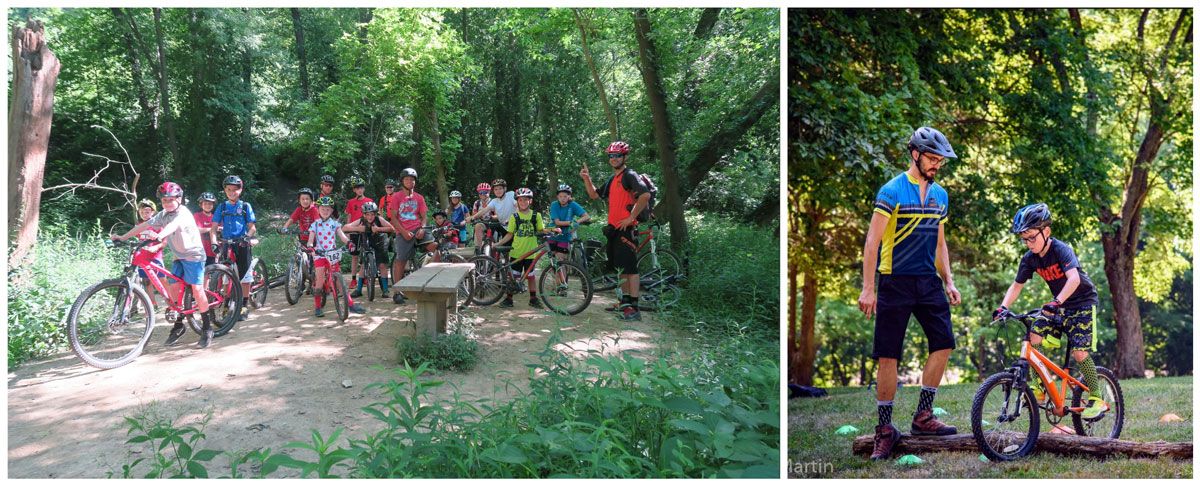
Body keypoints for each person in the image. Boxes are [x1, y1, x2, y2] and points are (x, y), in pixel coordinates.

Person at [857, 126, 962, 461]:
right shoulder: (892, 191)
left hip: (928, 282)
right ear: (915, 154)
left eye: (940, 160)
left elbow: (940, 243)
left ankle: (923, 416)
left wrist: (949, 280)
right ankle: (885, 430)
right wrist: (868, 288)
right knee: (888, 355)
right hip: (894, 280)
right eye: (932, 158)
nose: (937, 165)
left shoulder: (941, 196)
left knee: (944, 343)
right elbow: (872, 241)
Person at [994, 203, 1106, 418]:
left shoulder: (1061, 250)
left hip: (1082, 303)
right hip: (1059, 305)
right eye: (1024, 239)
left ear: (1046, 231)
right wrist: (1003, 307)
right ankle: (1040, 388)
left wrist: (1057, 301)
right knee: (1033, 337)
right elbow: (1017, 285)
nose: (1028, 243)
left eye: (1032, 238)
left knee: (1079, 353)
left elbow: (1073, 279)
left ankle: (1097, 397)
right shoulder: (1029, 258)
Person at [114, 182, 216, 348]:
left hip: (194, 255)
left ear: (179, 199)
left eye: (171, 200)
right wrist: (123, 237)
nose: (167, 203)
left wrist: (159, 236)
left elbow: (172, 226)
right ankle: (179, 324)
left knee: (197, 290)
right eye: (164, 200)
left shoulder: (183, 213)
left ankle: (207, 328)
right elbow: (144, 225)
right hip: (179, 256)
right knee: (174, 290)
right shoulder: (163, 213)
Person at [580, 141, 650, 322]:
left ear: (624, 157)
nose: (614, 158)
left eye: (618, 155)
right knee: (622, 269)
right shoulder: (613, 179)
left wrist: (630, 217)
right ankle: (625, 303)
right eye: (611, 156)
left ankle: (634, 308)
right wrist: (587, 178)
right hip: (614, 230)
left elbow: (645, 195)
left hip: (627, 229)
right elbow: (595, 195)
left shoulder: (630, 175)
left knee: (631, 269)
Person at [494, 188, 560, 308]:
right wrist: (498, 244)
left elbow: (541, 230)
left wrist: (552, 229)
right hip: (517, 251)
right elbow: (510, 234)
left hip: (531, 252)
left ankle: (533, 299)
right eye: (520, 200)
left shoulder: (536, 215)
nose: (523, 202)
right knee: (514, 276)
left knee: (530, 276)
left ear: (530, 201)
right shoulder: (514, 216)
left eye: (526, 200)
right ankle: (508, 299)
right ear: (517, 202)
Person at [387, 168, 437, 304]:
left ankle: (427, 276)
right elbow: (393, 218)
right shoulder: (397, 196)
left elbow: (424, 216)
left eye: (412, 179)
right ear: (402, 181)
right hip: (403, 231)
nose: (410, 181)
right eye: (407, 179)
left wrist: (422, 228)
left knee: (436, 248)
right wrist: (403, 232)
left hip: (418, 229)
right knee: (401, 261)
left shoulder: (419, 197)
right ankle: (397, 292)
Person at [212, 175, 258, 321]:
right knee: (226, 275)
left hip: (241, 243)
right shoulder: (222, 207)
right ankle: (226, 302)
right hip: (226, 243)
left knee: (245, 274)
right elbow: (213, 228)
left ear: (241, 190)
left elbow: (252, 227)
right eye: (229, 190)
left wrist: (247, 236)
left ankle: (244, 305)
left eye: (235, 190)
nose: (232, 192)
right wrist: (214, 242)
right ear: (225, 190)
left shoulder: (245, 206)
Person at [342, 201, 396, 298]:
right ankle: (358, 290)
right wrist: (359, 228)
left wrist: (379, 229)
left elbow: (391, 228)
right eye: (367, 214)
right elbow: (344, 228)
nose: (370, 217)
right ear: (364, 214)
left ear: (375, 214)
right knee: (363, 266)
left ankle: (385, 290)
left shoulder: (379, 219)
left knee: (382, 265)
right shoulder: (361, 220)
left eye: (372, 214)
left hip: (380, 243)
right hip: (366, 243)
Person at [466, 179, 517, 254]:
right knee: (481, 226)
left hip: (512, 227)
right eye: (496, 189)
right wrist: (472, 217)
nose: (498, 191)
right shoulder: (494, 201)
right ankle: (480, 250)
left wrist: (512, 218)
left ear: (505, 189)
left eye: (500, 188)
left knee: (508, 251)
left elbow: (518, 207)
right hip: (502, 226)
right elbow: (484, 210)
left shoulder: (511, 194)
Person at [345, 176, 374, 298]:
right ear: (354, 190)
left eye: (361, 187)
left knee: (366, 252)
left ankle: (365, 276)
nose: (360, 190)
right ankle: (353, 278)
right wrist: (347, 231)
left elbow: (374, 215)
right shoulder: (351, 202)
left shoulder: (369, 200)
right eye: (357, 188)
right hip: (355, 231)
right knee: (355, 256)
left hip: (367, 230)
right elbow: (349, 216)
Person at [132, 199, 165, 307]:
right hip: (144, 258)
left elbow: (165, 241)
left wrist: (156, 247)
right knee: (147, 282)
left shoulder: (157, 225)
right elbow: (136, 239)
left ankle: (171, 303)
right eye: (142, 212)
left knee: (161, 281)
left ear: (153, 212)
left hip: (156, 257)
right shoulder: (139, 226)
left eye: (147, 212)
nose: (144, 214)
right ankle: (152, 304)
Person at [548, 183, 590, 264]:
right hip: (553, 234)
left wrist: (577, 221)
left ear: (569, 196)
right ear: (557, 197)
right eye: (560, 196)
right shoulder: (554, 205)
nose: (562, 199)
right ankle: (554, 276)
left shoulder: (573, 205)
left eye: (565, 196)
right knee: (553, 261)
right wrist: (570, 223)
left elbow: (587, 216)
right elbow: (557, 222)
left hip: (565, 236)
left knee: (561, 260)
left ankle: (562, 276)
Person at [194, 192, 218, 266]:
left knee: (214, 273)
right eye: (205, 204)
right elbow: (196, 230)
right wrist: (212, 229)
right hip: (200, 251)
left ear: (213, 205)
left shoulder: (216, 217)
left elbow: (222, 230)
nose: (208, 206)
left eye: (210, 204)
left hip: (213, 251)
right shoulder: (197, 216)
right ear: (201, 205)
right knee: (202, 274)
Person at [470, 182, 493, 246]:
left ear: (489, 192)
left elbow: (497, 214)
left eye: (485, 192)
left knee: (494, 240)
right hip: (482, 223)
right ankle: (479, 249)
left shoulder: (493, 202)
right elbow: (474, 215)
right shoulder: (477, 203)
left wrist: (492, 217)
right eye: (480, 192)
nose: (482, 194)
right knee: (478, 226)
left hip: (492, 224)